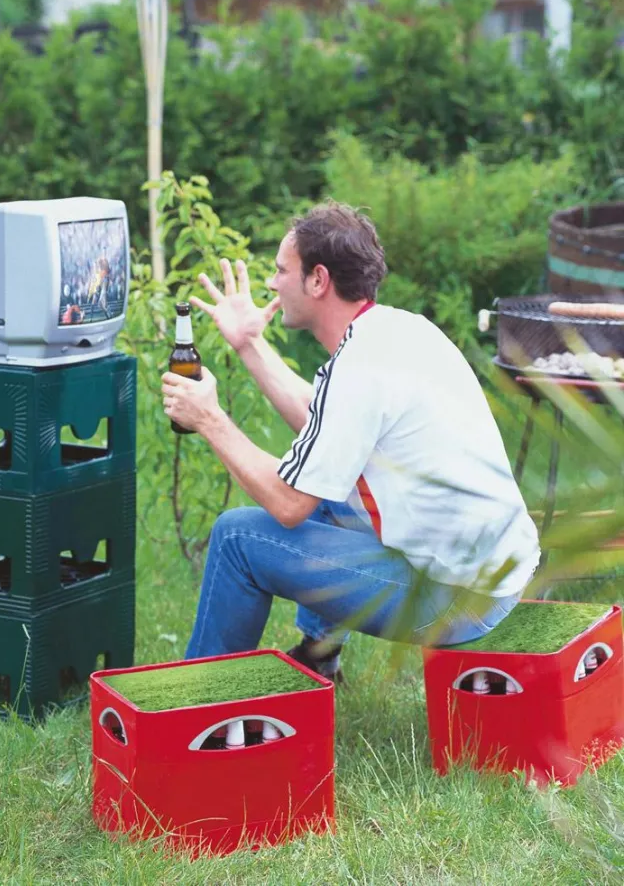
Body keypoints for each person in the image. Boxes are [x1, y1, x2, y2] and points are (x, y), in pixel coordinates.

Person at [161, 201, 540, 683]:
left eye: (281, 271)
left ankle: (198, 703)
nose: (272, 284)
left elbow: (289, 504)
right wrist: (248, 344)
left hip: (460, 601)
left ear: (318, 280)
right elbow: (324, 426)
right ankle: (319, 654)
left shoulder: (359, 369)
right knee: (327, 482)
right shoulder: (397, 330)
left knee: (239, 536)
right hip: (495, 576)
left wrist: (210, 419)